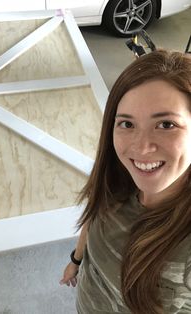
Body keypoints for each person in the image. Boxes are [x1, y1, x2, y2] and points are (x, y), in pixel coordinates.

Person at [59, 49, 191, 314]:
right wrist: (77, 259)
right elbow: (94, 215)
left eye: (166, 124)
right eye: (127, 124)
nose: (141, 149)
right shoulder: (117, 179)